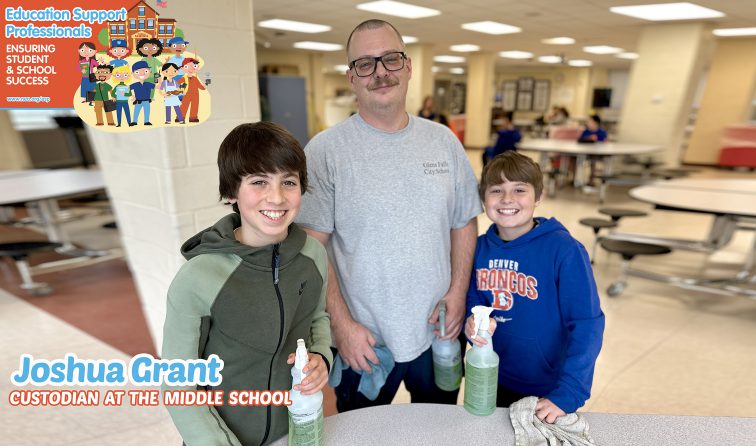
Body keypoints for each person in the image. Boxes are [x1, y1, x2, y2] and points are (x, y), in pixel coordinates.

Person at [296, 19, 481, 412]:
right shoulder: (325, 151)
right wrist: (342, 326)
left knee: (438, 430)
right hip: (365, 341)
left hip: (438, 332)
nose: (381, 72)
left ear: (408, 66)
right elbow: (312, 248)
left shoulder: (444, 142)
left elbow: (463, 221)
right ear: (351, 77)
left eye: (390, 59)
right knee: (362, 434)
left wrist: (458, 292)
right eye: (365, 63)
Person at [161, 121, 333, 446]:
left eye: (289, 182)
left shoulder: (313, 255)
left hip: (296, 432)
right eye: (258, 182)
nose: (277, 197)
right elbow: (177, 384)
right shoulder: (199, 277)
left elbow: (318, 319)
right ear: (230, 192)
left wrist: (321, 357)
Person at [465, 151, 604, 423]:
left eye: (519, 189)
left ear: (538, 197)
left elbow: (587, 324)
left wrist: (569, 392)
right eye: (496, 190)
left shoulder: (564, 250)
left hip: (549, 387)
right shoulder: (479, 248)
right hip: (493, 376)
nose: (507, 199)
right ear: (483, 199)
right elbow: (474, 304)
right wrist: (472, 326)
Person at [179, 57, 206, 123]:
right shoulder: (183, 78)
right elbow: (177, 84)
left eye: (194, 66)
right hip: (186, 94)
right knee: (184, 106)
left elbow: (200, 86)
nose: (191, 68)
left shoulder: (195, 79)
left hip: (195, 95)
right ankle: (180, 117)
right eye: (187, 66)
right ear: (182, 68)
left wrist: (204, 87)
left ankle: (193, 117)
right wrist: (181, 87)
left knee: (195, 106)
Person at [129, 61, 155, 126]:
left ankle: (146, 121)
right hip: (138, 101)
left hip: (146, 100)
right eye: (137, 72)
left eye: (145, 71)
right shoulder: (135, 84)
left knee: (147, 111)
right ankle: (134, 121)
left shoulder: (148, 84)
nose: (142, 74)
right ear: (133, 73)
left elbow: (156, 87)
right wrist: (132, 95)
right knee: (136, 111)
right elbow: (128, 88)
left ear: (150, 71)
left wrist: (159, 80)